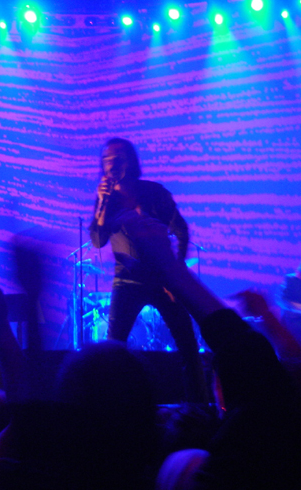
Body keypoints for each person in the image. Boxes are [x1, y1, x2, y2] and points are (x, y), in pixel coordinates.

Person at [89, 137, 207, 403]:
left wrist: (176, 272)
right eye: (106, 159)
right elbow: (97, 240)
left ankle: (198, 406)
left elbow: (181, 230)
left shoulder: (154, 192)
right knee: (113, 350)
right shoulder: (107, 199)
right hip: (126, 282)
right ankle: (111, 409)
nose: (111, 164)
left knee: (188, 346)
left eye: (117, 158)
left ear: (130, 160)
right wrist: (102, 204)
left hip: (163, 281)